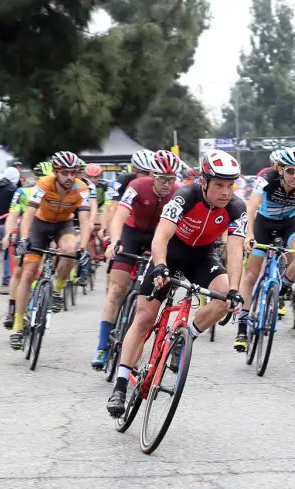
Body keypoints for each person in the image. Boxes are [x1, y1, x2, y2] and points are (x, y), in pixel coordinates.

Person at [106, 150, 247, 417]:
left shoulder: (237, 208)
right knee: (145, 317)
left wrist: (234, 290)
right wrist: (159, 264)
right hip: (170, 252)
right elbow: (161, 235)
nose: (226, 192)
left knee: (222, 299)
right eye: (219, 185)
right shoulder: (185, 196)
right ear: (204, 181)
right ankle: (121, 384)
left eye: (230, 185)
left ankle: (185, 338)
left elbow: (236, 249)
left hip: (202, 256)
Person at [90, 151, 181, 370]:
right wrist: (115, 241)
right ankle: (102, 347)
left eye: (172, 179)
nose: (167, 184)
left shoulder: (178, 192)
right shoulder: (138, 186)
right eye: (162, 179)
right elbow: (120, 214)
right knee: (116, 289)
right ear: (152, 174)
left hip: (157, 237)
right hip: (132, 234)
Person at [234, 147, 295, 352]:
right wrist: (249, 236)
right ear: (280, 169)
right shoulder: (267, 178)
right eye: (291, 170)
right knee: (252, 273)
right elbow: (251, 207)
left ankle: (279, 290)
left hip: (290, 222)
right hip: (263, 223)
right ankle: (242, 325)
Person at [9, 151, 92, 350]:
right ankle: (18, 326)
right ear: (56, 172)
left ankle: (56, 290)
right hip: (40, 224)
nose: (70, 177)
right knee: (28, 272)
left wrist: (83, 248)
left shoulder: (82, 188)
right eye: (65, 173)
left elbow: (85, 222)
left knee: (70, 249)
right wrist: (23, 239)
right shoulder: (44, 184)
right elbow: (28, 215)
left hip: (63, 226)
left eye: (74, 173)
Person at [1, 162, 51, 329]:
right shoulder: (23, 192)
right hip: (27, 236)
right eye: (43, 178)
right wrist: (8, 234)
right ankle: (12, 310)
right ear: (36, 178)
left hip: (48, 234)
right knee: (19, 272)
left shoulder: (57, 193)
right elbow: (12, 215)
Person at [101, 150, 155, 234]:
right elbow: (112, 209)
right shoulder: (123, 180)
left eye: (151, 173)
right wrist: (109, 234)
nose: (148, 177)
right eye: (144, 173)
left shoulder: (161, 184)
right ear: (135, 170)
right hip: (129, 223)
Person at [0, 167, 21, 294]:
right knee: (11, 253)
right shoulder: (12, 190)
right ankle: (8, 278)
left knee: (6, 252)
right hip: (9, 225)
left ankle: (8, 277)